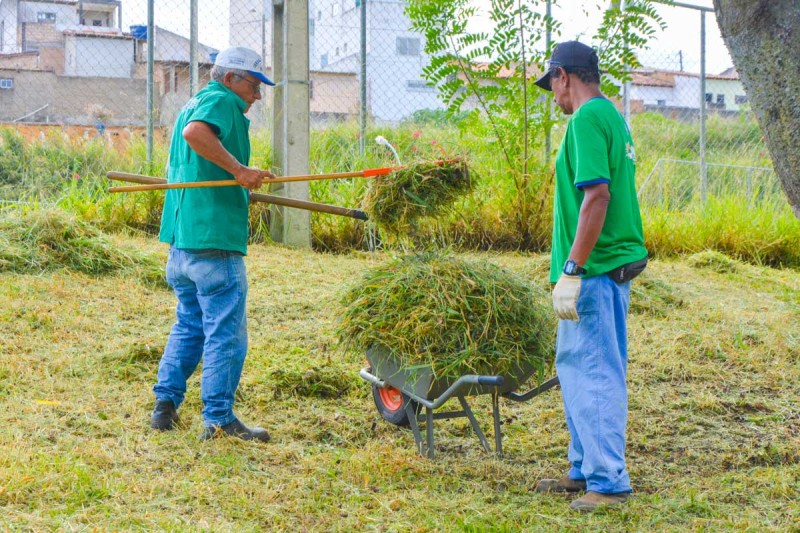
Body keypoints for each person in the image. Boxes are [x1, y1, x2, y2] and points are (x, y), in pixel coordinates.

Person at [533, 41, 648, 512]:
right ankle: (584, 467)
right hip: (604, 267)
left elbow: (596, 198)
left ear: (564, 76)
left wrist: (572, 269)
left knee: (594, 371)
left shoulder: (583, 120)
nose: (553, 97)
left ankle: (608, 481)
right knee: (577, 368)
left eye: (552, 85)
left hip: (594, 270)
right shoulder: (612, 116)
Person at [150, 47, 277, 442]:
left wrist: (242, 180)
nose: (257, 95)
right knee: (225, 332)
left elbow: (200, 157)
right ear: (229, 78)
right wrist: (240, 170)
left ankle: (165, 405)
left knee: (190, 325)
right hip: (213, 242)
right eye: (254, 85)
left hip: (183, 241)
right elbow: (196, 135)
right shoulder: (220, 101)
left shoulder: (195, 102)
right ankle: (219, 419)